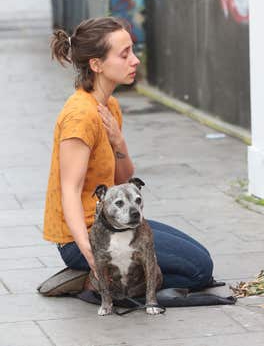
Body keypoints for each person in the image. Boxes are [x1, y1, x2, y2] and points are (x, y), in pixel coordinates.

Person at [40, 17, 221, 297]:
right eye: (124, 55)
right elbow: (70, 192)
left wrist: (118, 140)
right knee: (197, 270)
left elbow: (123, 180)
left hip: (117, 219)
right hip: (84, 237)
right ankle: (96, 279)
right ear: (96, 65)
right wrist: (90, 254)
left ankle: (115, 276)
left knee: (200, 256)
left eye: (132, 51)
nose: (135, 60)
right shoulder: (80, 116)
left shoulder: (108, 106)